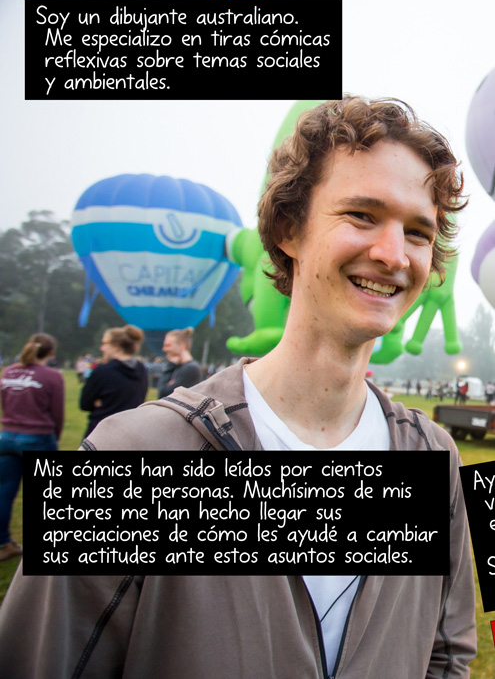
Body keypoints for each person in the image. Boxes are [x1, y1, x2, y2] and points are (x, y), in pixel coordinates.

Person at [0, 97, 476, 677]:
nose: (392, 254)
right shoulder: (136, 456)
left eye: (418, 231)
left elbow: (445, 655)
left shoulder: (432, 457)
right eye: (361, 215)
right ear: (286, 229)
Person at [0, 333, 64, 562]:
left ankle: (3, 543)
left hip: (7, 435)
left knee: (4, 491)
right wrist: (53, 436)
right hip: (38, 436)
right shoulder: (52, 376)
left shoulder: (8, 372)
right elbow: (57, 413)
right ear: (51, 352)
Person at [80, 325, 148, 438]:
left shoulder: (102, 371)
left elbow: (84, 403)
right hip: (129, 435)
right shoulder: (141, 370)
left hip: (101, 435)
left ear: (116, 347)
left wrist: (100, 402)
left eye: (104, 344)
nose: (101, 348)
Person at [156, 327, 202, 399]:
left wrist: (169, 367)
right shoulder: (177, 366)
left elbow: (163, 394)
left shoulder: (191, 369)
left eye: (168, 345)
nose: (164, 349)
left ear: (181, 346)